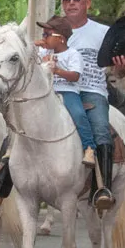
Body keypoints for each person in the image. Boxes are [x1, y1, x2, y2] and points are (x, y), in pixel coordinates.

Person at [59, 0, 117, 210]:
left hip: (92, 89)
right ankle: (0, 179)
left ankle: (102, 189)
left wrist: (122, 67)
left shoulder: (103, 32)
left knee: (101, 128)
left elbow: (118, 71)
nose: (71, 2)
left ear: (88, 2)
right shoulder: (54, 29)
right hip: (60, 89)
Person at [38, 15, 96, 168]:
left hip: (67, 91)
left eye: (47, 35)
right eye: (42, 34)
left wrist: (56, 70)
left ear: (61, 38)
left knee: (78, 114)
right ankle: (11, 146)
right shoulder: (42, 52)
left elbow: (75, 76)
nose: (43, 38)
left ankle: (89, 148)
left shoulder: (73, 54)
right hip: (46, 91)